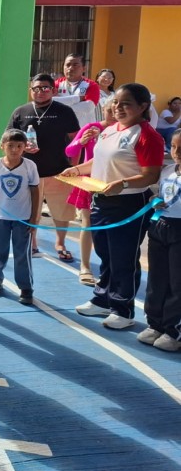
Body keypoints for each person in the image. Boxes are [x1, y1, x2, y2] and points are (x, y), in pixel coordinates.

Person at [66, 83, 163, 330]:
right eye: (116, 103)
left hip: (129, 204)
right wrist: (77, 169)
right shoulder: (109, 131)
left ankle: (123, 308)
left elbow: (150, 175)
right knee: (105, 254)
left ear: (142, 107)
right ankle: (103, 298)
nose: (118, 108)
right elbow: (98, 161)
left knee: (124, 258)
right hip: (102, 200)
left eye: (126, 103)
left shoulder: (147, 135)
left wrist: (122, 184)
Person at [9, 73, 80, 261]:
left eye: (45, 88)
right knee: (30, 211)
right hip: (29, 172)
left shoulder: (65, 111)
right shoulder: (20, 111)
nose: (40, 92)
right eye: (36, 88)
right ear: (31, 90)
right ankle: (32, 243)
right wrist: (23, 148)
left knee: (62, 211)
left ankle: (61, 243)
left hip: (59, 171)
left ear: (53, 90)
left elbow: (75, 141)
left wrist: (74, 167)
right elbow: (9, 138)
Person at [0, 129, 39, 305]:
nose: (14, 149)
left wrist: (33, 218)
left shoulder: (30, 166)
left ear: (25, 147)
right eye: (10, 146)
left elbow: (35, 191)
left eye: (19, 146)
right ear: (2, 146)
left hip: (22, 217)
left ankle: (25, 287)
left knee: (22, 253)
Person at [64, 99, 116, 286]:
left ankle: (108, 267)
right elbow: (70, 151)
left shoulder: (122, 131)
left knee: (110, 226)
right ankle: (85, 266)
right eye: (109, 110)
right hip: (90, 181)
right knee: (87, 222)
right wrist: (82, 141)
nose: (112, 114)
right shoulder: (91, 127)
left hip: (112, 181)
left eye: (115, 110)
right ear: (102, 110)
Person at [138, 128, 181, 351]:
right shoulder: (167, 171)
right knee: (157, 278)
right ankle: (155, 323)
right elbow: (160, 195)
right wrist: (156, 200)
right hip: (161, 226)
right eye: (174, 147)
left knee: (177, 282)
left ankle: (174, 330)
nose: (177, 153)